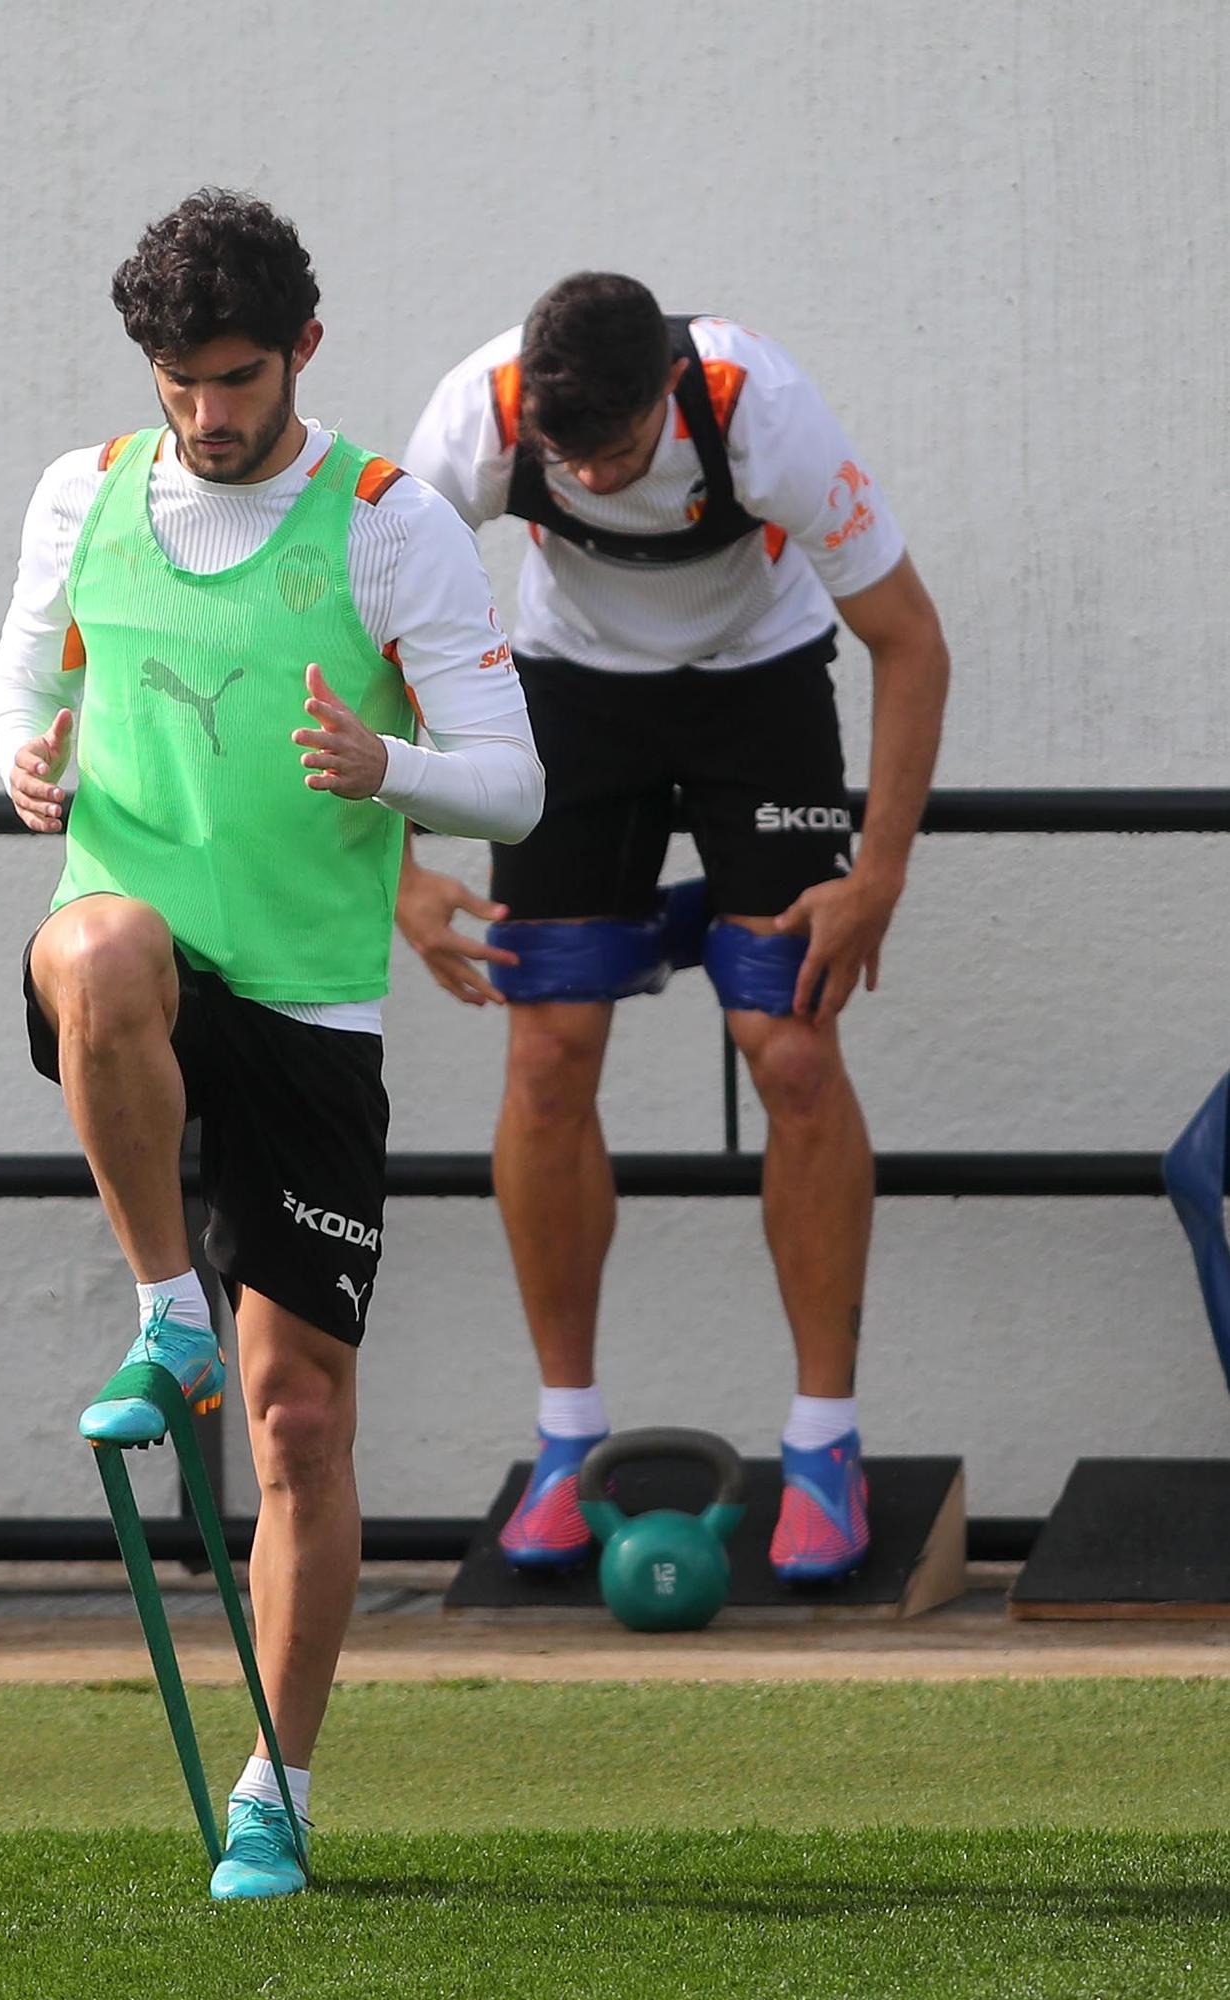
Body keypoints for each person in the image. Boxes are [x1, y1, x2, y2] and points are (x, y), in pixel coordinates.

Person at [0, 189, 542, 1899]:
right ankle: (165, 1313)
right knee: (98, 945)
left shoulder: (388, 525)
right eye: (175, 383)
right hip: (132, 979)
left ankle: (274, 1793)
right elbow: (10, 690)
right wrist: (23, 762)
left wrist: (393, 773)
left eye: (232, 377)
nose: (205, 417)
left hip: (307, 1013)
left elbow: (510, 776)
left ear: (302, 346)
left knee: (300, 1422)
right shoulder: (82, 495)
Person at [398, 273, 949, 1583]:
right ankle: (560, 1436)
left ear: (666, 394)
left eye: (616, 448)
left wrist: (877, 874)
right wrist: (397, 871)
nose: (586, 475)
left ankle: (824, 1442)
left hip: (755, 685)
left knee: (792, 1045)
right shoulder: (471, 421)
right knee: (547, 1051)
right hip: (571, 693)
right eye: (561, 452)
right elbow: (370, 631)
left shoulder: (760, 411)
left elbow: (910, 642)